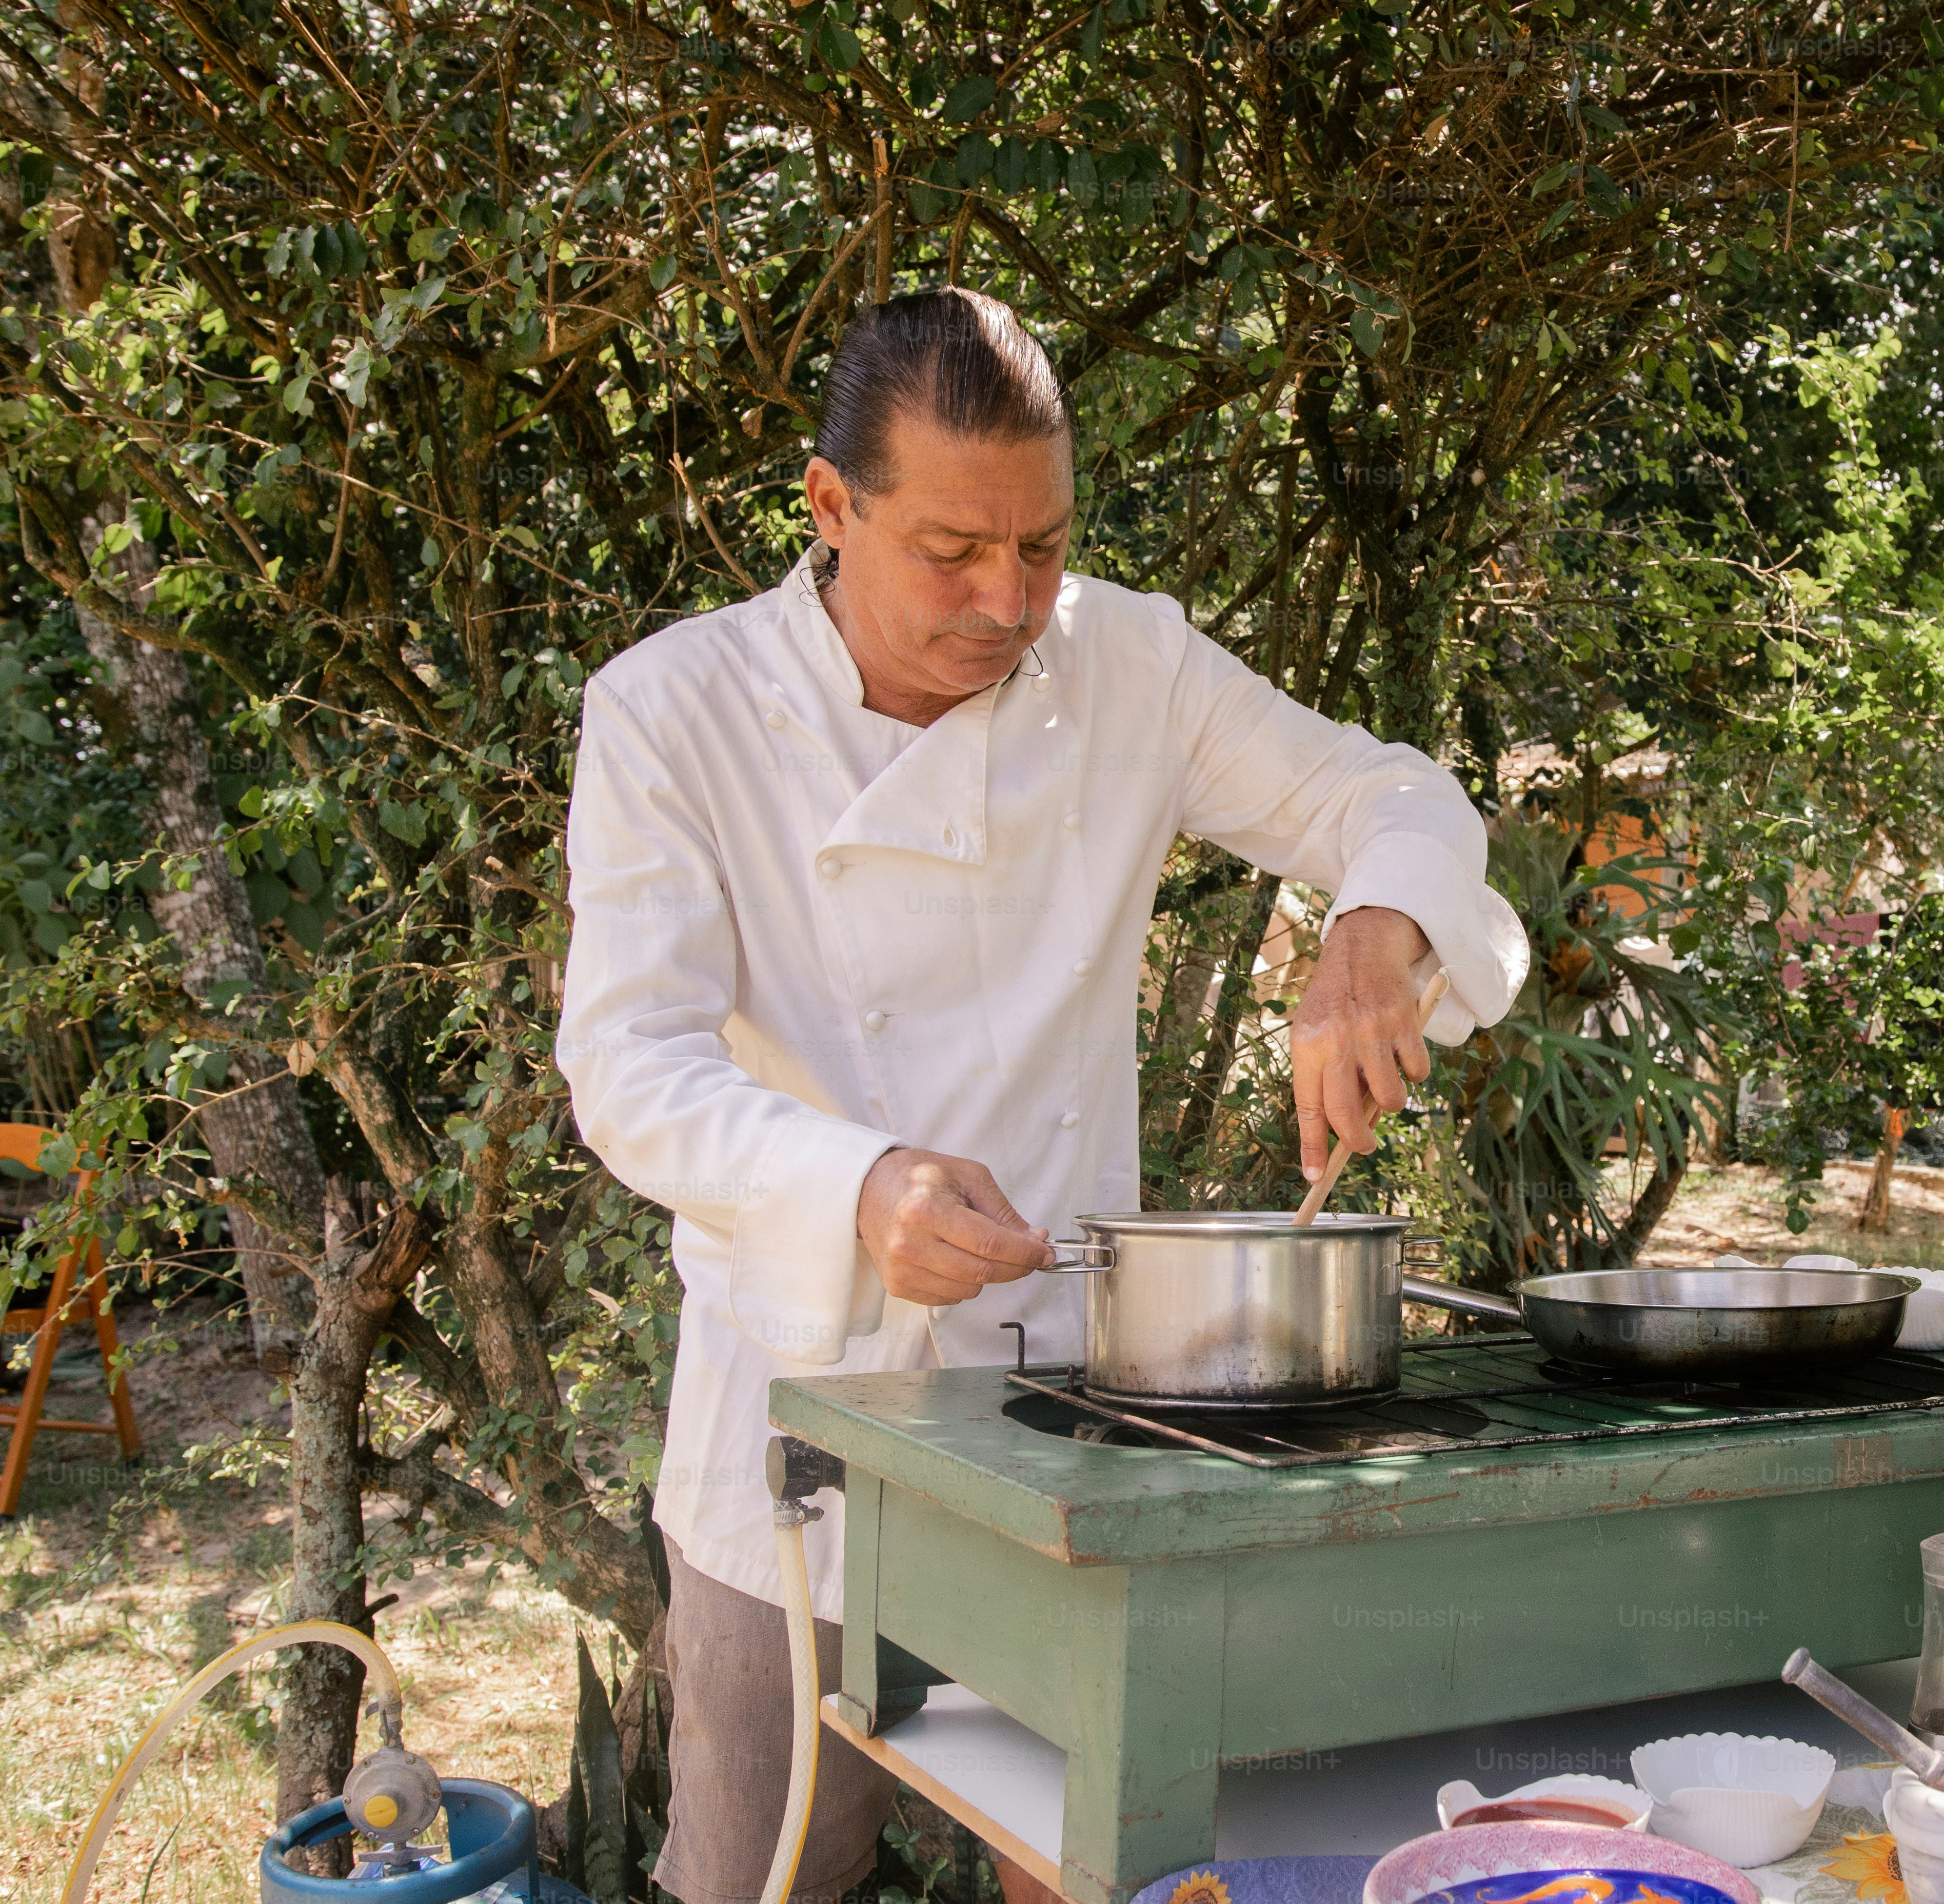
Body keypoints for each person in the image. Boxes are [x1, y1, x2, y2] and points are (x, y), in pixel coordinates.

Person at [556, 286, 1528, 1904]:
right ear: (828, 506)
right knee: (756, 1877)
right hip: (792, 1418)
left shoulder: (1127, 664)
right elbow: (628, 1066)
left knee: (1105, 1871)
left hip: (1074, 1412)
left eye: (1046, 545)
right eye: (953, 550)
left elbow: (1390, 793)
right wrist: (858, 1186)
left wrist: (1375, 926)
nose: (1009, 600)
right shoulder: (672, 713)